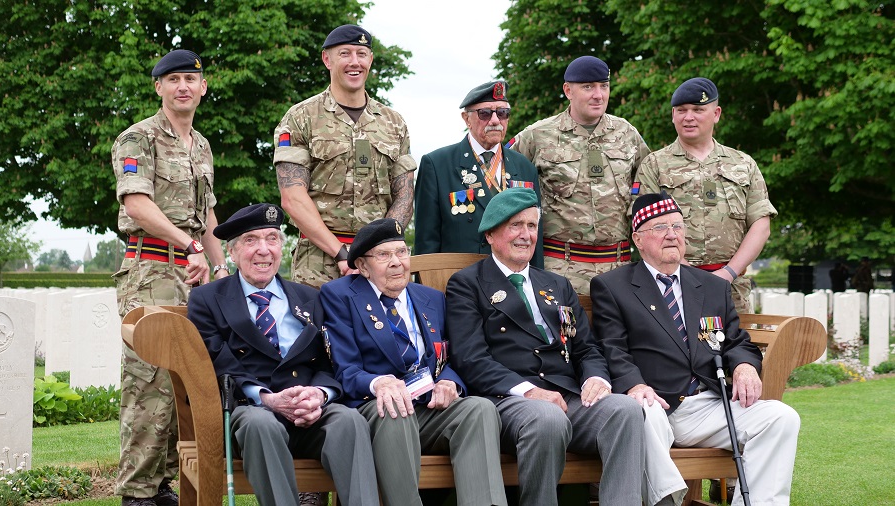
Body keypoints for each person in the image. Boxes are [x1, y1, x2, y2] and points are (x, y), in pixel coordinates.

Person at [590, 192, 800, 506]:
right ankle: (669, 500)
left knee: (781, 417)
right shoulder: (613, 286)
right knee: (638, 411)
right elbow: (612, 348)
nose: (672, 234)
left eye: (677, 226)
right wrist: (635, 385)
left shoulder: (712, 286)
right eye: (660, 228)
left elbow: (737, 342)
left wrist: (744, 366)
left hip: (708, 404)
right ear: (638, 239)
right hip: (654, 403)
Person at [446, 188, 645, 506]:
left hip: (567, 395)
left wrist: (597, 378)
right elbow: (471, 359)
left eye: (532, 226)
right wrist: (529, 391)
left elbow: (585, 348)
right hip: (507, 401)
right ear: (491, 235)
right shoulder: (468, 283)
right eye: (515, 225)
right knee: (547, 419)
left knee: (626, 410)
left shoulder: (556, 285)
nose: (525, 235)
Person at [187, 204, 379, 506]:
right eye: (251, 240)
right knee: (260, 424)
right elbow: (216, 363)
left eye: (272, 239)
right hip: (250, 411)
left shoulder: (310, 297)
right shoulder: (207, 300)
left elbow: (331, 360)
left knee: (349, 421)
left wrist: (320, 393)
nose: (264, 250)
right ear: (233, 253)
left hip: (309, 413)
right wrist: (266, 398)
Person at [320, 219, 507, 506]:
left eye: (402, 252)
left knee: (479, 409)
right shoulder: (341, 295)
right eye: (384, 255)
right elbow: (344, 369)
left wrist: (449, 381)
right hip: (377, 408)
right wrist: (379, 382)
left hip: (428, 406)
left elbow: (452, 357)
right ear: (363, 265)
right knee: (396, 409)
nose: (397, 263)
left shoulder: (430, 297)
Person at [111, 49, 227, 506]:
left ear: (203, 88)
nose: (183, 86)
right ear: (158, 87)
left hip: (194, 272)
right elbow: (137, 205)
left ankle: (162, 486)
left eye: (190, 80)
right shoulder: (137, 139)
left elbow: (209, 214)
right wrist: (190, 245)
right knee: (151, 378)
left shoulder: (201, 144)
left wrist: (221, 269)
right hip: (151, 267)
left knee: (189, 378)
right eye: (172, 79)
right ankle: (137, 492)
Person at [274, 24, 416, 288]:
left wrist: (379, 248)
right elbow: (292, 197)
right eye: (345, 54)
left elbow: (405, 195)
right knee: (318, 330)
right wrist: (342, 254)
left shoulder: (394, 123)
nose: (355, 62)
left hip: (379, 263)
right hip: (318, 264)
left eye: (362, 54)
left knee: (380, 330)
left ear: (370, 60)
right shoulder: (300, 118)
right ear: (327, 59)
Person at [635, 77, 777, 314]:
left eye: (698, 110)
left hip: (732, 288)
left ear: (716, 113)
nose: (688, 117)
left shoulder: (743, 164)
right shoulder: (654, 165)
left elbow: (761, 225)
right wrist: (686, 273)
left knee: (737, 350)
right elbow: (644, 226)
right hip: (670, 287)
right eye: (681, 110)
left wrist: (728, 273)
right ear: (673, 115)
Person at [510, 56, 650, 295]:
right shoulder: (537, 136)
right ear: (568, 90)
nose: (598, 94)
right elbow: (505, 187)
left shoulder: (628, 134)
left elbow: (648, 190)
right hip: (559, 269)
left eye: (603, 86)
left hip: (620, 269)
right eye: (588, 87)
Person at [414, 80, 544, 268]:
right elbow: (426, 244)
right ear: (466, 119)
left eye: (502, 113)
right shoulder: (437, 165)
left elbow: (535, 239)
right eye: (484, 113)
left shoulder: (524, 167)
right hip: (461, 284)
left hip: (513, 281)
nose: (495, 121)